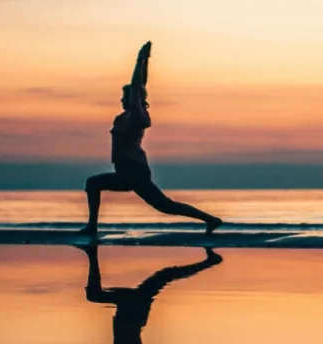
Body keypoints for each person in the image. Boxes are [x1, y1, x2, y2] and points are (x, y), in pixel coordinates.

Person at [80, 41, 222, 235]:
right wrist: (146, 60)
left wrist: (139, 59)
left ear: (133, 100)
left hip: (134, 172)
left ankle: (211, 219)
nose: (121, 100)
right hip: (125, 172)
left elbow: (136, 87)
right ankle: (92, 227)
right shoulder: (123, 117)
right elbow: (139, 87)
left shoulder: (136, 116)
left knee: (166, 206)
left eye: (124, 97)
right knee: (94, 184)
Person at [76, 244, 223, 344]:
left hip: (133, 312)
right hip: (133, 311)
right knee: (165, 275)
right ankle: (91, 253)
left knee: (164, 276)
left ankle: (91, 254)